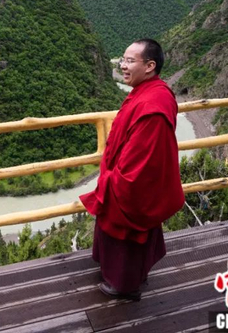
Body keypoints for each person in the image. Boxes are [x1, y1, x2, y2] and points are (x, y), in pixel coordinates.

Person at [79, 38, 184, 300]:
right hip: (121, 170)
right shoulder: (147, 92)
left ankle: (125, 285)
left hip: (133, 179)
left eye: (129, 61)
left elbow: (142, 160)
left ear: (149, 66)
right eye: (122, 60)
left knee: (125, 220)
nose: (123, 66)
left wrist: (115, 179)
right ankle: (128, 274)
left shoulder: (153, 103)